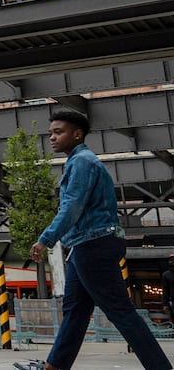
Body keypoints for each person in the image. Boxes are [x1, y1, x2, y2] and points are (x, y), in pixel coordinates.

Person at [14, 109, 172, 370]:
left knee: (120, 310)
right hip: (83, 245)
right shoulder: (78, 161)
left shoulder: (83, 162)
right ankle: (54, 366)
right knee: (75, 311)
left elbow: (73, 206)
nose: (51, 137)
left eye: (58, 132)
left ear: (77, 134)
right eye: (50, 132)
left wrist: (46, 238)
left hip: (94, 244)